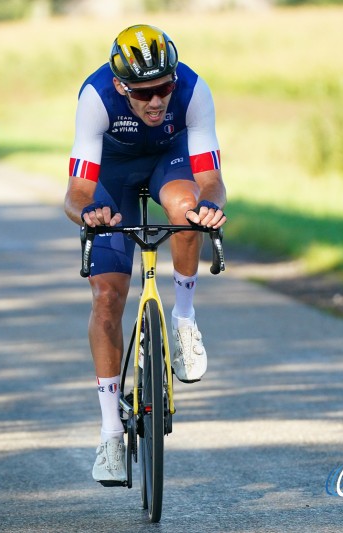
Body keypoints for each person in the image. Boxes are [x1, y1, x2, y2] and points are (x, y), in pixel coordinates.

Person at [63, 24, 227, 484]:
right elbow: (75, 194)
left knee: (187, 209)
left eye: (163, 89)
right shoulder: (96, 98)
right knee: (107, 299)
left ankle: (184, 321)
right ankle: (111, 434)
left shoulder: (193, 90)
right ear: (121, 87)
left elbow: (210, 178)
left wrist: (211, 206)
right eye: (144, 93)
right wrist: (89, 215)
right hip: (110, 175)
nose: (157, 102)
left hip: (169, 161)